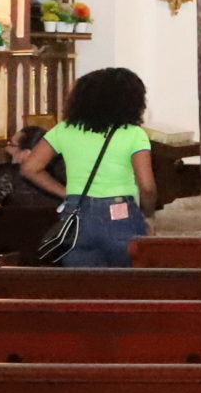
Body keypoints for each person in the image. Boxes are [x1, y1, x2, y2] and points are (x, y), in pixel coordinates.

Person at [17, 66, 156, 266]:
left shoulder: (63, 130)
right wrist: (148, 213)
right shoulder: (133, 134)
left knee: (84, 286)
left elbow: (29, 168)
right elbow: (147, 185)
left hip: (77, 214)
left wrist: (67, 193)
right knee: (126, 287)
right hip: (120, 214)